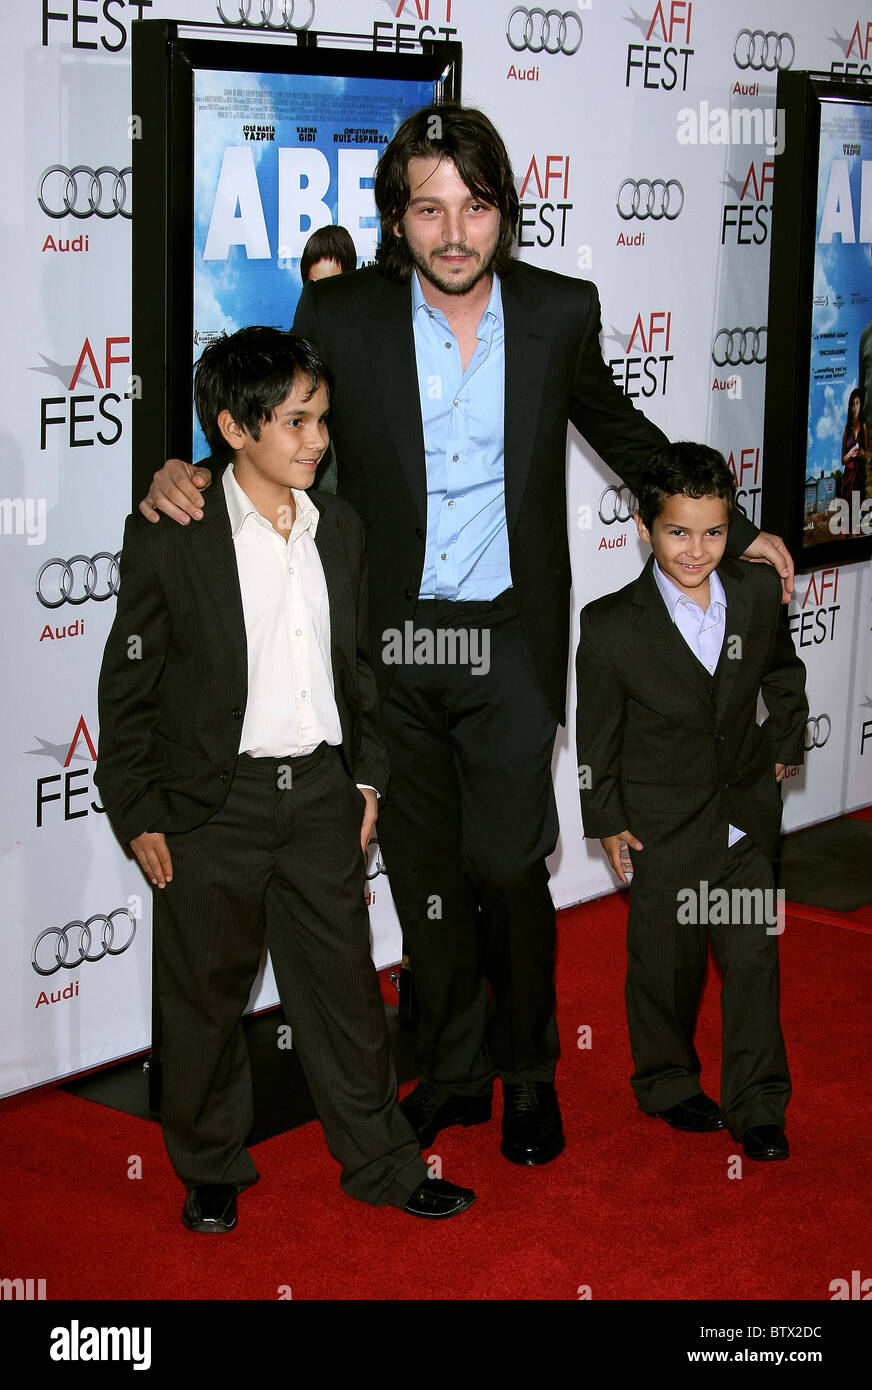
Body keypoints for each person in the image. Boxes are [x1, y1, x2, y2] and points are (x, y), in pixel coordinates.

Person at [139, 104, 794, 1169]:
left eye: (474, 207)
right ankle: (451, 1070)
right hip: (391, 643)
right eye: (427, 209)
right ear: (395, 221)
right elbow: (277, 419)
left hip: (502, 637)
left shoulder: (556, 312)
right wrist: (188, 472)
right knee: (421, 865)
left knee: (505, 861)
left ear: (504, 213)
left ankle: (528, 1069)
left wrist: (745, 531)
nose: (453, 233)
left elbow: (621, 432)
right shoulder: (340, 313)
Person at [96, 327, 475, 1230]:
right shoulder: (172, 531)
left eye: (322, 420)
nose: (316, 439)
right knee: (203, 997)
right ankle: (212, 1167)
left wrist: (367, 783)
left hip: (318, 796)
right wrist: (137, 804)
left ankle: (383, 1162)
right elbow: (129, 678)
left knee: (345, 990)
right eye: (296, 421)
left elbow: (358, 671)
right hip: (207, 803)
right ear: (233, 428)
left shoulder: (338, 528)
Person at [576, 443, 807, 1160]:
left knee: (752, 965)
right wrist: (607, 820)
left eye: (713, 531)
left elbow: (783, 673)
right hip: (661, 829)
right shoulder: (612, 625)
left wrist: (784, 747)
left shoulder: (759, 592)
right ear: (645, 527)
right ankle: (669, 1082)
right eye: (678, 531)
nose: (697, 550)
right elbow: (597, 737)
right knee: (665, 969)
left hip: (742, 823)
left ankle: (758, 1102)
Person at [840, 387, 867, 507]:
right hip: (848, 477)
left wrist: (861, 452)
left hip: (859, 476)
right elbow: (843, 460)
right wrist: (850, 453)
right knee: (846, 512)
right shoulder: (846, 429)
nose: (855, 408)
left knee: (857, 511)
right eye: (852, 404)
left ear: (861, 405)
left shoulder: (864, 426)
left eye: (857, 403)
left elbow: (867, 455)